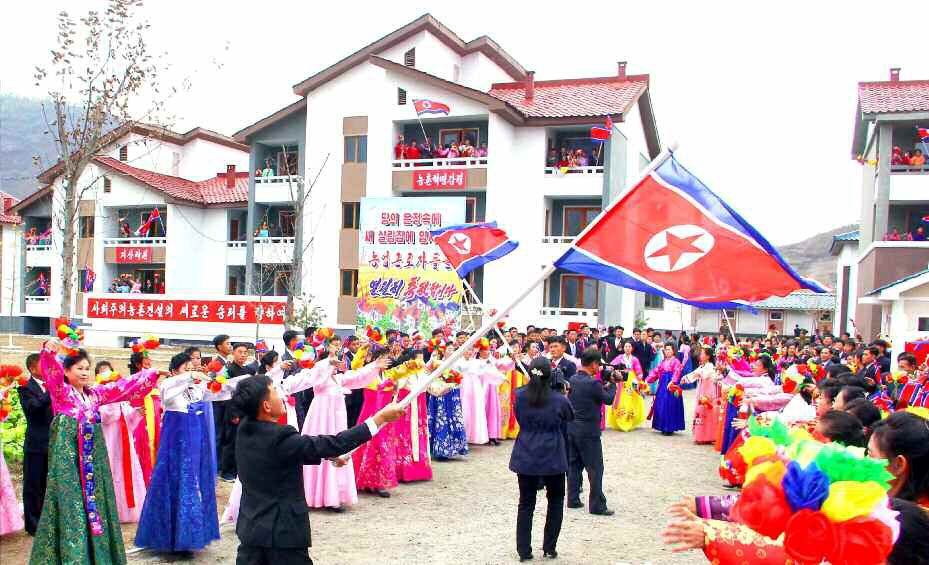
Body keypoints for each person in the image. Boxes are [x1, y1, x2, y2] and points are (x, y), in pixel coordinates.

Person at [232, 374, 405, 564]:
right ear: (266, 405)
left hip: (251, 530)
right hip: (283, 534)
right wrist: (379, 419)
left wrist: (328, 455)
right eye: (275, 390)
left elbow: (279, 456)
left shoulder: (245, 429)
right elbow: (334, 443)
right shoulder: (280, 435)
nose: (281, 394)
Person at [29, 344, 159, 564]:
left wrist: (151, 374)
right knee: (72, 507)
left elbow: (123, 387)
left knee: (96, 506)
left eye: (87, 368)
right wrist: (49, 352)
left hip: (93, 466)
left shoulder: (96, 395)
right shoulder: (62, 394)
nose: (84, 372)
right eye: (79, 368)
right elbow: (51, 374)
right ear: (66, 372)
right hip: (68, 465)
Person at [134, 352, 245, 553]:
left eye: (192, 366)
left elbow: (223, 390)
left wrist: (246, 380)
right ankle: (168, 537)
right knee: (174, 485)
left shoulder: (197, 388)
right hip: (175, 448)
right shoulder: (169, 386)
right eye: (186, 367)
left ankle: (191, 536)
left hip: (196, 445)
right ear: (174, 370)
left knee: (195, 485)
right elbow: (167, 393)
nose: (191, 370)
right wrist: (187, 377)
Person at [509, 357, 574, 561]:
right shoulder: (559, 399)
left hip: (526, 451)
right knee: (555, 501)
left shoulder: (518, 395)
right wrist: (563, 393)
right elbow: (569, 416)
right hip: (552, 453)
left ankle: (523, 550)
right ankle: (549, 547)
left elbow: (518, 415)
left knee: (526, 503)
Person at [566, 348, 616, 516]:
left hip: (572, 428)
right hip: (589, 431)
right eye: (598, 364)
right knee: (595, 468)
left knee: (574, 466)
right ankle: (597, 505)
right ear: (594, 364)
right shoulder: (593, 383)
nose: (599, 367)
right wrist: (615, 384)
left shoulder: (573, 379)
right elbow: (608, 399)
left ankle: (573, 499)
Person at [18, 353, 52, 535]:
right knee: (33, 486)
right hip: (36, 446)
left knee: (48, 485)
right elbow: (33, 408)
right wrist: (50, 393)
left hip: (54, 444)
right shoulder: (25, 387)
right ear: (32, 368)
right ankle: (33, 525)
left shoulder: (54, 387)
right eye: (43, 365)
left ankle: (47, 523)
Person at [221, 343, 258, 481]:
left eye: (245, 352)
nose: (243, 355)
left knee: (242, 441)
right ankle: (227, 471)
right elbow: (226, 394)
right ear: (233, 353)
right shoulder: (228, 370)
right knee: (231, 441)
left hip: (246, 409)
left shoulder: (248, 370)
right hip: (233, 409)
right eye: (240, 352)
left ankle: (238, 470)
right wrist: (234, 413)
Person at [682, 347, 720, 444]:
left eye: (702, 354)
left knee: (707, 412)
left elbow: (704, 375)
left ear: (708, 356)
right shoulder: (702, 366)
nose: (700, 355)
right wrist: (685, 379)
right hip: (701, 390)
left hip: (708, 392)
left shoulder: (710, 366)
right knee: (700, 412)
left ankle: (708, 436)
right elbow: (694, 374)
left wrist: (697, 373)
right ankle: (700, 435)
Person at [647, 342, 685, 435]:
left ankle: (669, 427)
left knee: (670, 405)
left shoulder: (676, 361)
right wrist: (647, 380)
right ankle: (662, 426)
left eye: (669, 349)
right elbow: (655, 372)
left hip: (671, 386)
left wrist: (673, 381)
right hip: (662, 385)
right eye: (665, 349)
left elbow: (677, 372)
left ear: (673, 351)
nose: (666, 351)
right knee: (661, 404)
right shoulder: (662, 362)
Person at [211, 334, 233, 474]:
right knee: (218, 433)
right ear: (219, 346)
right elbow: (212, 383)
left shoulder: (228, 363)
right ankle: (216, 465)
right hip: (218, 403)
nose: (230, 346)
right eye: (227, 343)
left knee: (226, 434)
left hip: (228, 402)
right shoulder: (216, 363)